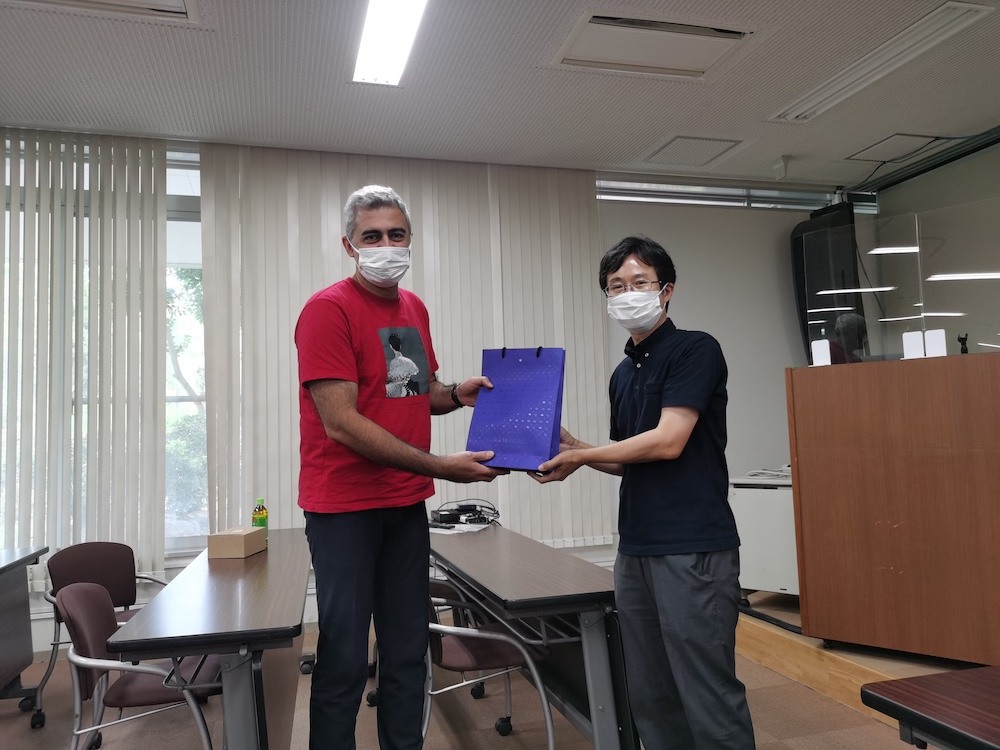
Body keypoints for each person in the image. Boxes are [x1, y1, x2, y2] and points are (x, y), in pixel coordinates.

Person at [295, 184, 507, 750]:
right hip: (344, 508)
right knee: (344, 654)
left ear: (410, 240)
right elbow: (342, 422)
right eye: (372, 237)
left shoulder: (412, 308)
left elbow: (411, 388)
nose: (385, 246)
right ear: (349, 245)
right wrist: (441, 466)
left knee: (408, 649)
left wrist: (457, 394)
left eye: (396, 235)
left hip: (404, 503)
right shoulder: (327, 310)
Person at [533, 235, 755, 749]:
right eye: (616, 286)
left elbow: (669, 441)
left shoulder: (695, 349)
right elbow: (628, 460)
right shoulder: (622, 374)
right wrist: (577, 449)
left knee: (705, 689)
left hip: (692, 546)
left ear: (666, 290)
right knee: (650, 690)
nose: (627, 294)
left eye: (639, 283)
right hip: (635, 547)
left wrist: (582, 456)